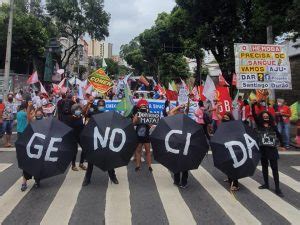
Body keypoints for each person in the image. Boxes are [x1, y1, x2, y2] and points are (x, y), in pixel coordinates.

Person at [82, 98, 119, 186]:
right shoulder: (93, 112)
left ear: (105, 106)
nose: (101, 107)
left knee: (108, 158)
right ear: (97, 106)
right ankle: (87, 178)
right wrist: (89, 103)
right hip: (94, 139)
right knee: (91, 160)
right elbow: (84, 113)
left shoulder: (107, 115)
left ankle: (113, 176)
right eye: (100, 105)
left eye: (103, 105)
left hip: (104, 140)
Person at [257, 111, 284, 197]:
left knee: (274, 168)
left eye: (267, 116)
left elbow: (279, 135)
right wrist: (253, 106)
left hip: (272, 149)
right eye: (264, 116)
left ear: (269, 117)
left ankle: (277, 188)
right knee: (264, 167)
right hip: (263, 149)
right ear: (262, 117)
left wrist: (282, 144)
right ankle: (266, 184)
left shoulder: (273, 125)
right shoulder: (260, 125)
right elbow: (254, 116)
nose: (265, 117)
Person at [20, 107, 43, 191]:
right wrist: (29, 107)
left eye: (40, 114)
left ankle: (37, 180)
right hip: (29, 146)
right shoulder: (32, 121)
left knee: (38, 165)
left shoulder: (44, 123)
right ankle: (24, 182)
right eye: (36, 114)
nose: (37, 115)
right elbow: (29, 119)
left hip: (39, 147)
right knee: (26, 165)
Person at [169, 103, 190, 188]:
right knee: (181, 164)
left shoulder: (182, 118)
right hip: (181, 144)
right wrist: (179, 107)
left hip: (182, 144)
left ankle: (179, 182)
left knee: (179, 163)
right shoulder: (176, 119)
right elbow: (171, 112)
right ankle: (181, 182)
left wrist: (182, 107)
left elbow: (172, 112)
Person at [221, 112, 240, 191]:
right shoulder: (223, 125)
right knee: (228, 165)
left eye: (227, 118)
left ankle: (235, 184)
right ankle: (229, 179)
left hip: (233, 148)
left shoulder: (233, 126)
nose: (225, 119)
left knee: (233, 166)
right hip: (225, 147)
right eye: (224, 118)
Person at [133, 103, 152, 172]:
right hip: (139, 135)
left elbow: (150, 125)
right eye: (142, 107)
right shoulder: (137, 114)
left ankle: (149, 166)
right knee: (138, 151)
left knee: (148, 151)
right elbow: (133, 123)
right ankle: (138, 166)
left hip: (146, 135)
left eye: (144, 107)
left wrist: (146, 119)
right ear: (139, 109)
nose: (143, 109)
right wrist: (138, 117)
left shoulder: (149, 115)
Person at [69, 99, 86, 171]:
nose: (78, 111)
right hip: (73, 136)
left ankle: (81, 163)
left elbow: (82, 125)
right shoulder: (71, 118)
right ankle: (73, 165)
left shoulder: (81, 117)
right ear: (73, 110)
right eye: (77, 109)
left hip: (80, 136)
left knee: (85, 149)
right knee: (74, 151)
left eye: (79, 109)